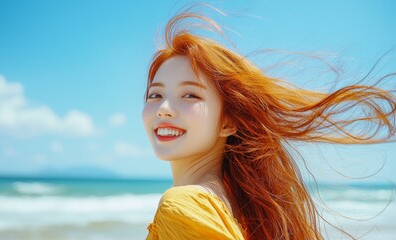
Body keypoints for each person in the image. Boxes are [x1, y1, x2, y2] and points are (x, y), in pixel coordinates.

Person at [141, 9, 396, 240]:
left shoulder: (183, 206)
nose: (163, 109)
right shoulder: (236, 208)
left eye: (190, 95)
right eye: (155, 95)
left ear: (229, 122)